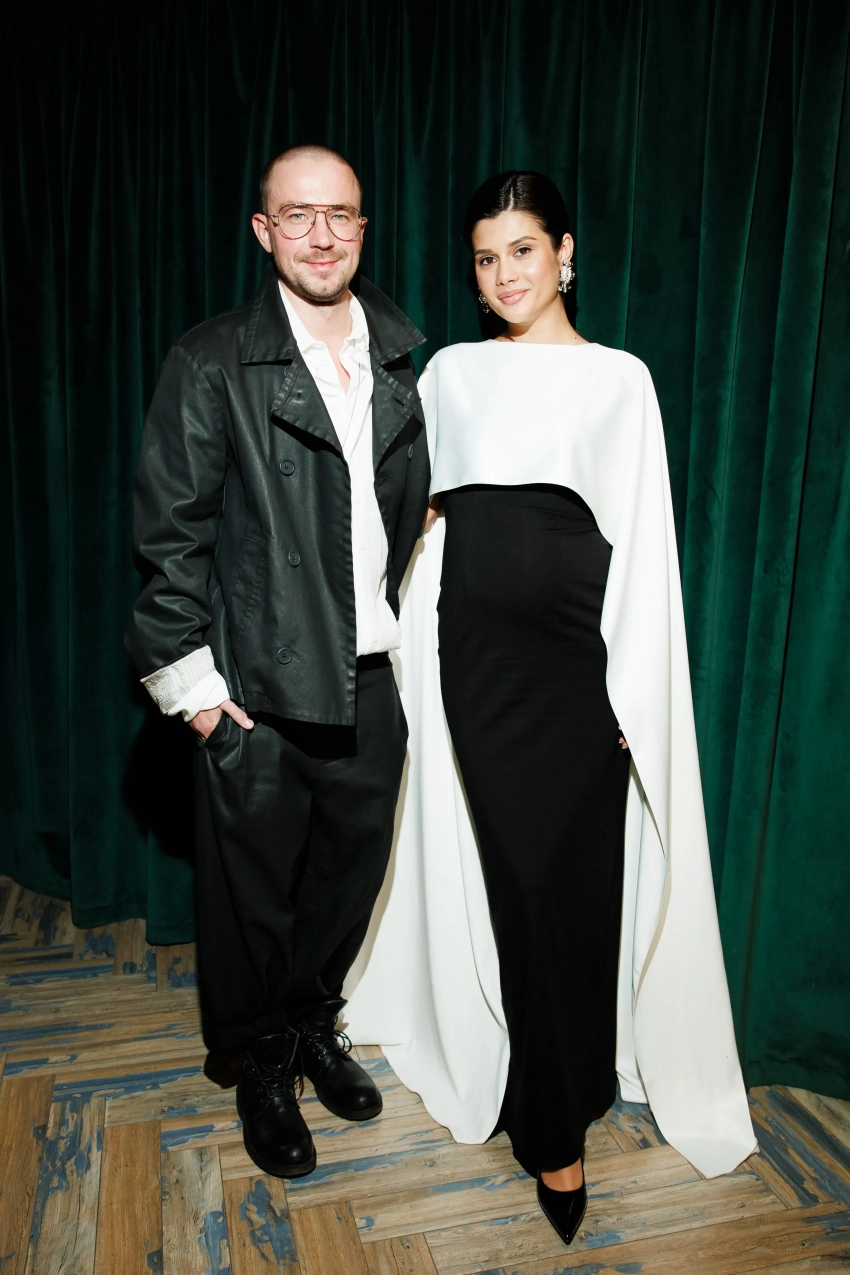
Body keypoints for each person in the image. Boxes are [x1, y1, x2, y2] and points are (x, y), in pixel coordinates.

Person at [345, 171, 756, 1244]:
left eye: (523, 250)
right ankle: (550, 1126)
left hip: (581, 670)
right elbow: (417, 522)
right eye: (486, 258)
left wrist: (634, 686)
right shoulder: (452, 373)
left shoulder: (622, 380)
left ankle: (572, 1085)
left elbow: (644, 542)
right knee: (522, 887)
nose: (504, 275)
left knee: (577, 890)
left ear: (565, 254)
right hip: (478, 671)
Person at [126, 144, 430, 1179]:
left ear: (362, 228)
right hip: (256, 685)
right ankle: (260, 1060)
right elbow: (170, 536)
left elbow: (398, 518)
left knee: (345, 884)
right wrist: (197, 692)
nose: (320, 235)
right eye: (297, 215)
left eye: (339, 214)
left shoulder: (400, 355)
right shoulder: (211, 359)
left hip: (370, 674)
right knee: (251, 899)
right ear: (264, 232)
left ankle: (309, 1026)